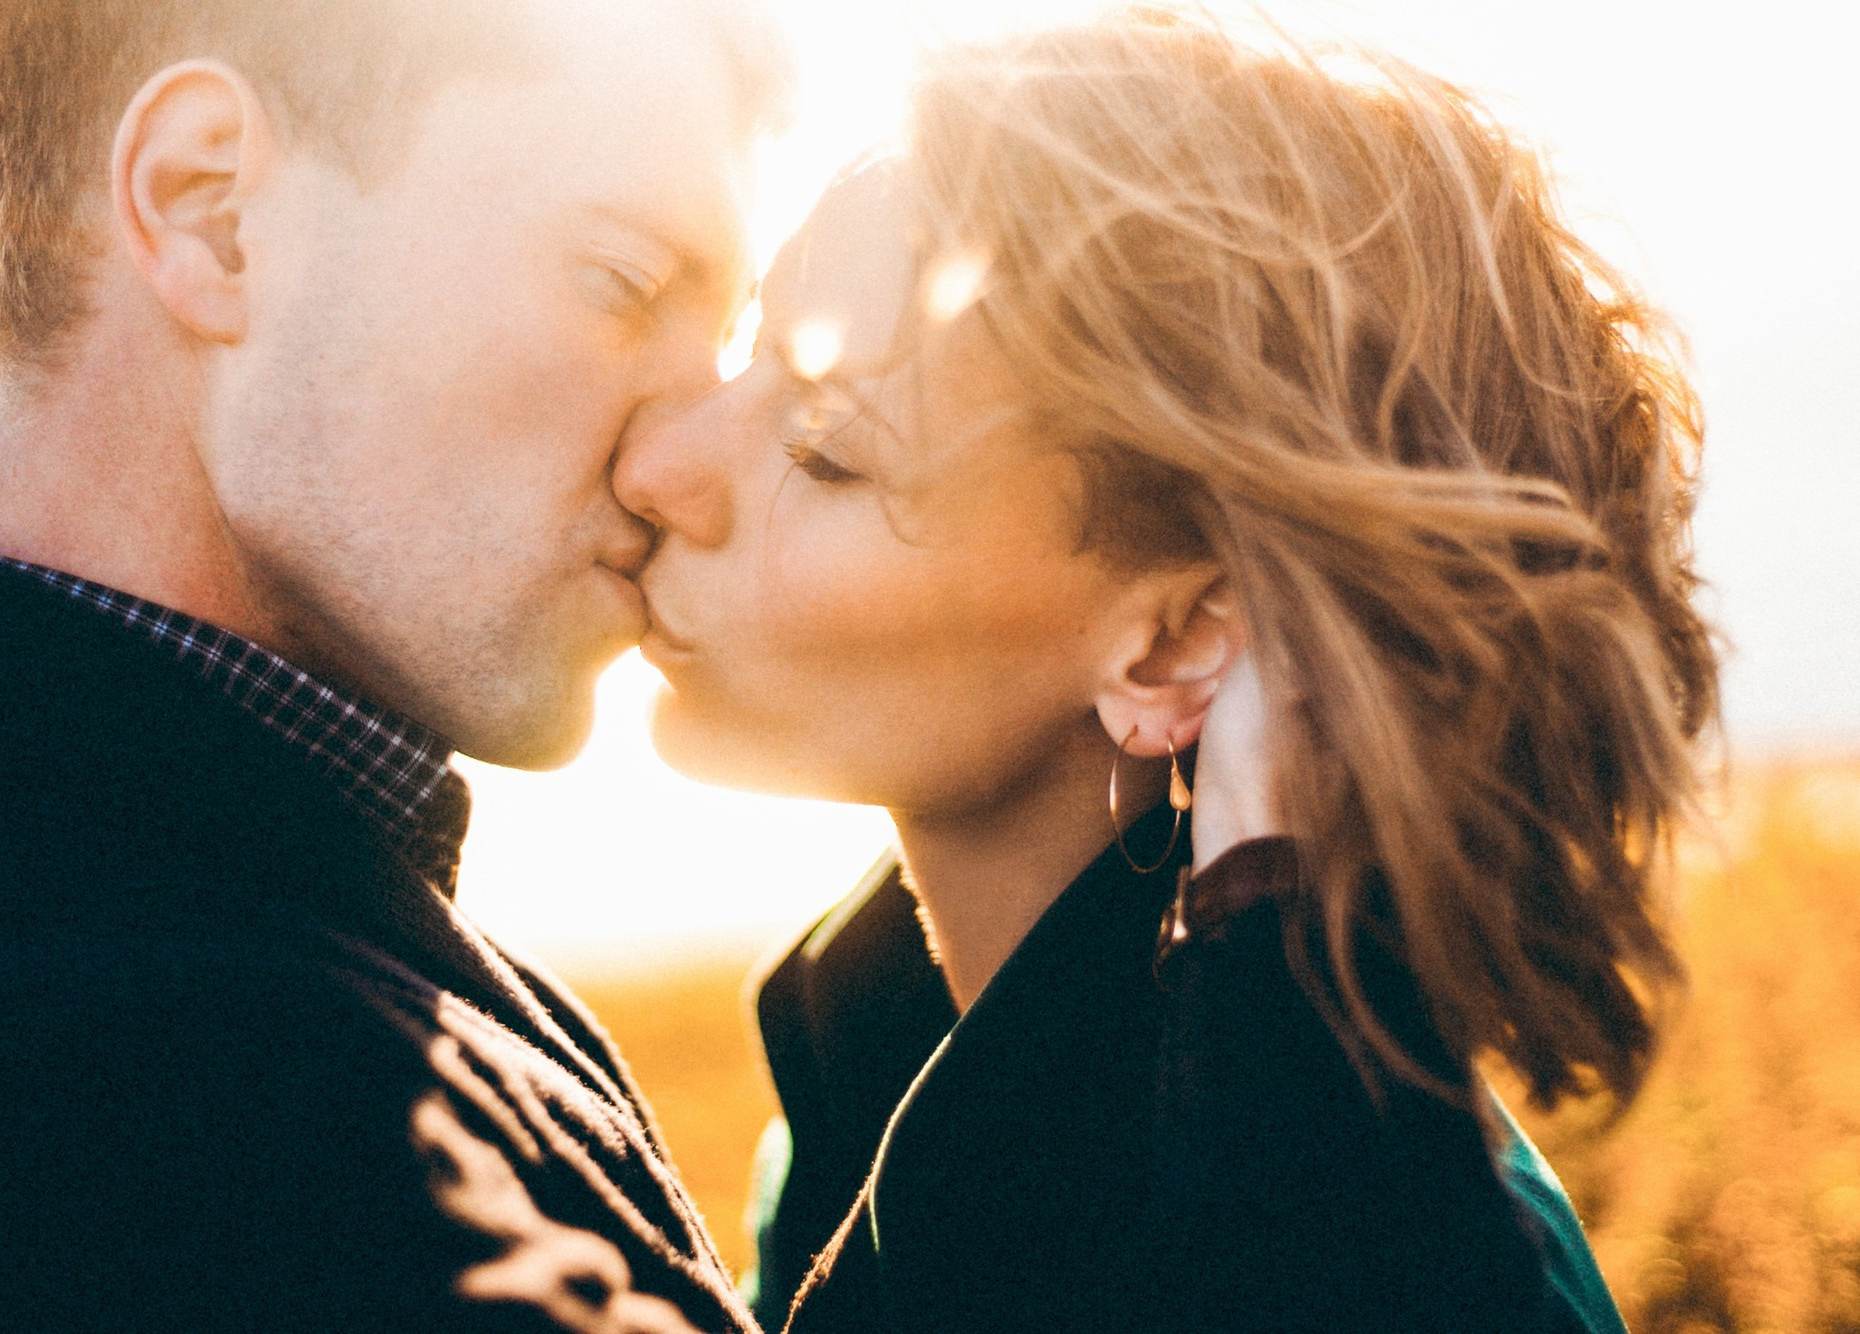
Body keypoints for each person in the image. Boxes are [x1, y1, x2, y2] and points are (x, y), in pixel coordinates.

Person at [614, 10, 1716, 1332]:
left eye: (830, 448)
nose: (655, 465)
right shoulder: (874, 1074)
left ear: (1175, 645)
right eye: (746, 356)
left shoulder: (1378, 1249)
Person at [0, 0, 786, 1328]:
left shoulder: (168, 926)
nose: (684, 462)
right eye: (620, 282)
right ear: (210, 211)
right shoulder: (198, 1094)